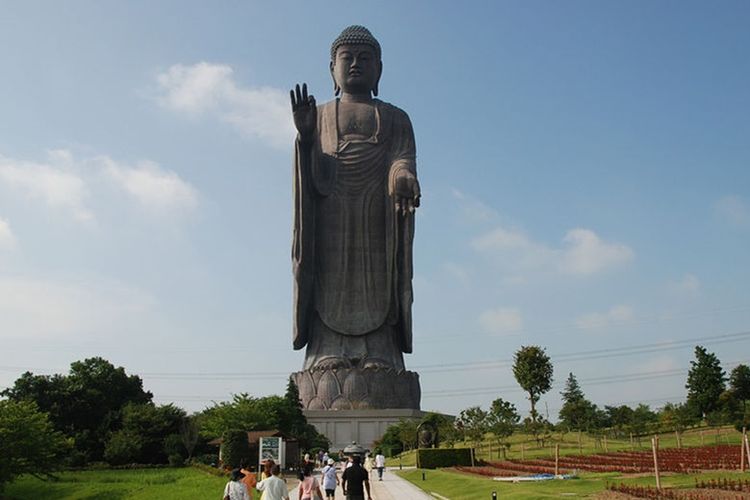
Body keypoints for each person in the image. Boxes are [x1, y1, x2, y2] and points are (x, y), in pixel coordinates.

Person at [290, 25, 421, 375]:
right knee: (327, 277)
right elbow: (313, 174)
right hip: (331, 214)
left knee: (381, 277)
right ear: (331, 68)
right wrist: (304, 138)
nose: (355, 65)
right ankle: (325, 351)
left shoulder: (396, 118)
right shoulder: (317, 116)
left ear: (379, 68)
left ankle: (382, 352)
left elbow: (402, 157)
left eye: (365, 58)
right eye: (346, 58)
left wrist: (402, 175)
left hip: (377, 215)